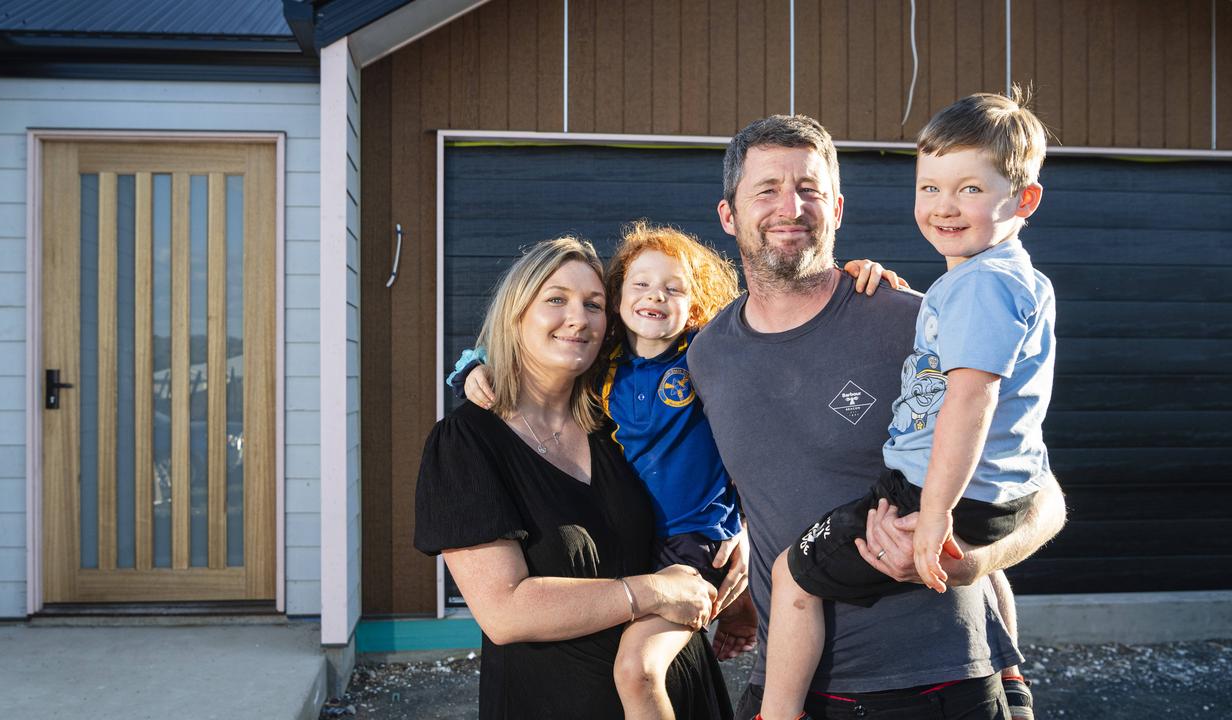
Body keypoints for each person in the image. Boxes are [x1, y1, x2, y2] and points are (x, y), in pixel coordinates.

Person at [688, 113, 1066, 720]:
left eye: (809, 189)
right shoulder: (707, 356)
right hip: (788, 681)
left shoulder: (909, 319)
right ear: (729, 215)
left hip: (938, 683)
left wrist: (970, 559)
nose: (791, 206)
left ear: (837, 208)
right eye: (767, 190)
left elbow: (1036, 490)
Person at [449, 224, 900, 720]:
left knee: (638, 669)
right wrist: (473, 367)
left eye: (673, 288)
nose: (654, 297)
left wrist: (852, 282)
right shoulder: (603, 368)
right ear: (620, 300)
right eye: (639, 285)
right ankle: (740, 616)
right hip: (641, 547)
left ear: (697, 303)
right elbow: (527, 345)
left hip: (693, 540)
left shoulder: (706, 353)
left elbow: (783, 325)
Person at [414, 236, 733, 719]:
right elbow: (504, 612)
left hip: (683, 693)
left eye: (594, 304)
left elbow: (709, 465)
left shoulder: (616, 423)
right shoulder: (467, 443)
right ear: (517, 312)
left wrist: (740, 532)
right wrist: (651, 591)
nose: (578, 318)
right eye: (556, 299)